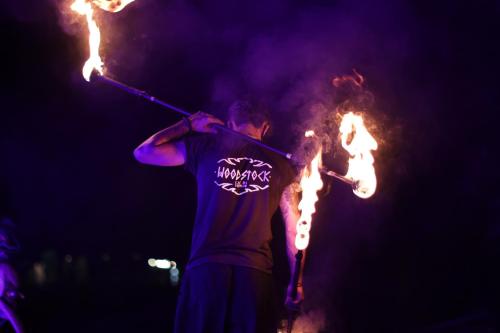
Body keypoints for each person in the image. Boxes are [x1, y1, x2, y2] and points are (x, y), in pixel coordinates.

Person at [134, 99, 304, 333]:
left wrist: (187, 124)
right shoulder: (283, 165)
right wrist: (297, 282)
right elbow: (296, 231)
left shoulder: (205, 147)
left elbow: (143, 152)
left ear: (231, 124)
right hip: (254, 279)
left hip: (206, 274)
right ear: (265, 127)